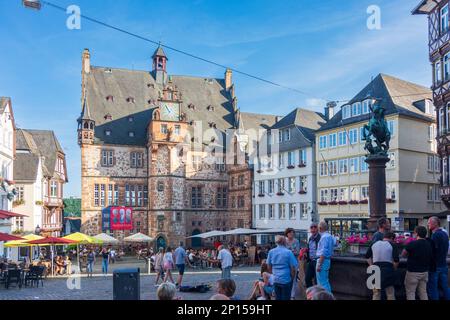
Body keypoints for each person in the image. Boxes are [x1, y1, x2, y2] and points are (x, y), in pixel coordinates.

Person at [401, 226, 432, 300]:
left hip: (413, 272)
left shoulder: (412, 244)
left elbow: (403, 254)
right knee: (423, 292)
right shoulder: (429, 244)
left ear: (417, 233)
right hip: (424, 272)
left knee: (411, 292)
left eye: (414, 233)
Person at [366, 231, 399, 300]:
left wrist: (371, 265)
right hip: (388, 270)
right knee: (390, 293)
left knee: (376, 293)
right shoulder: (392, 245)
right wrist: (394, 268)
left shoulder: (374, 243)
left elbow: (367, 256)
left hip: (375, 270)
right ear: (392, 238)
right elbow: (396, 260)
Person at [266, 235, 298, 300]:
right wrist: (292, 277)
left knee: (278, 298)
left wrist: (273, 274)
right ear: (285, 242)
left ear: (276, 242)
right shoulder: (288, 252)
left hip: (276, 279)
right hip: (286, 279)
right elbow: (293, 268)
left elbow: (269, 266)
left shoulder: (271, 252)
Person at [427, 216, 450, 300]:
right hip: (444, 264)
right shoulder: (445, 234)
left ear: (436, 223)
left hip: (435, 266)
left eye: (429, 222)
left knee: (433, 288)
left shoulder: (435, 235)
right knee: (445, 287)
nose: (428, 224)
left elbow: (433, 250)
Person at [316, 221, 335, 293]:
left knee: (322, 283)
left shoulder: (324, 237)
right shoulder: (330, 236)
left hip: (322, 261)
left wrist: (319, 264)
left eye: (318, 228)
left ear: (320, 228)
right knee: (325, 282)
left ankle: (327, 297)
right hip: (327, 260)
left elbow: (323, 252)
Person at [285, 228, 300, 300]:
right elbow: (283, 252)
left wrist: (289, 252)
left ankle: (292, 295)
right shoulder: (284, 241)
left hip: (294, 262)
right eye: (290, 233)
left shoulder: (296, 241)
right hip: (286, 263)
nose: (292, 234)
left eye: (293, 233)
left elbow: (298, 252)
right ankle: (287, 293)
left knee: (294, 278)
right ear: (287, 234)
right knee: (286, 278)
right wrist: (291, 251)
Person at [305, 222, 321, 288]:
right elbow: (309, 249)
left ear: (317, 229)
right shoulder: (310, 238)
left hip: (317, 261)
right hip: (311, 261)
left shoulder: (320, 237)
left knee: (317, 280)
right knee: (307, 279)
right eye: (311, 228)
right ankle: (311, 294)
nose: (313, 229)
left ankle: (318, 296)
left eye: (315, 227)